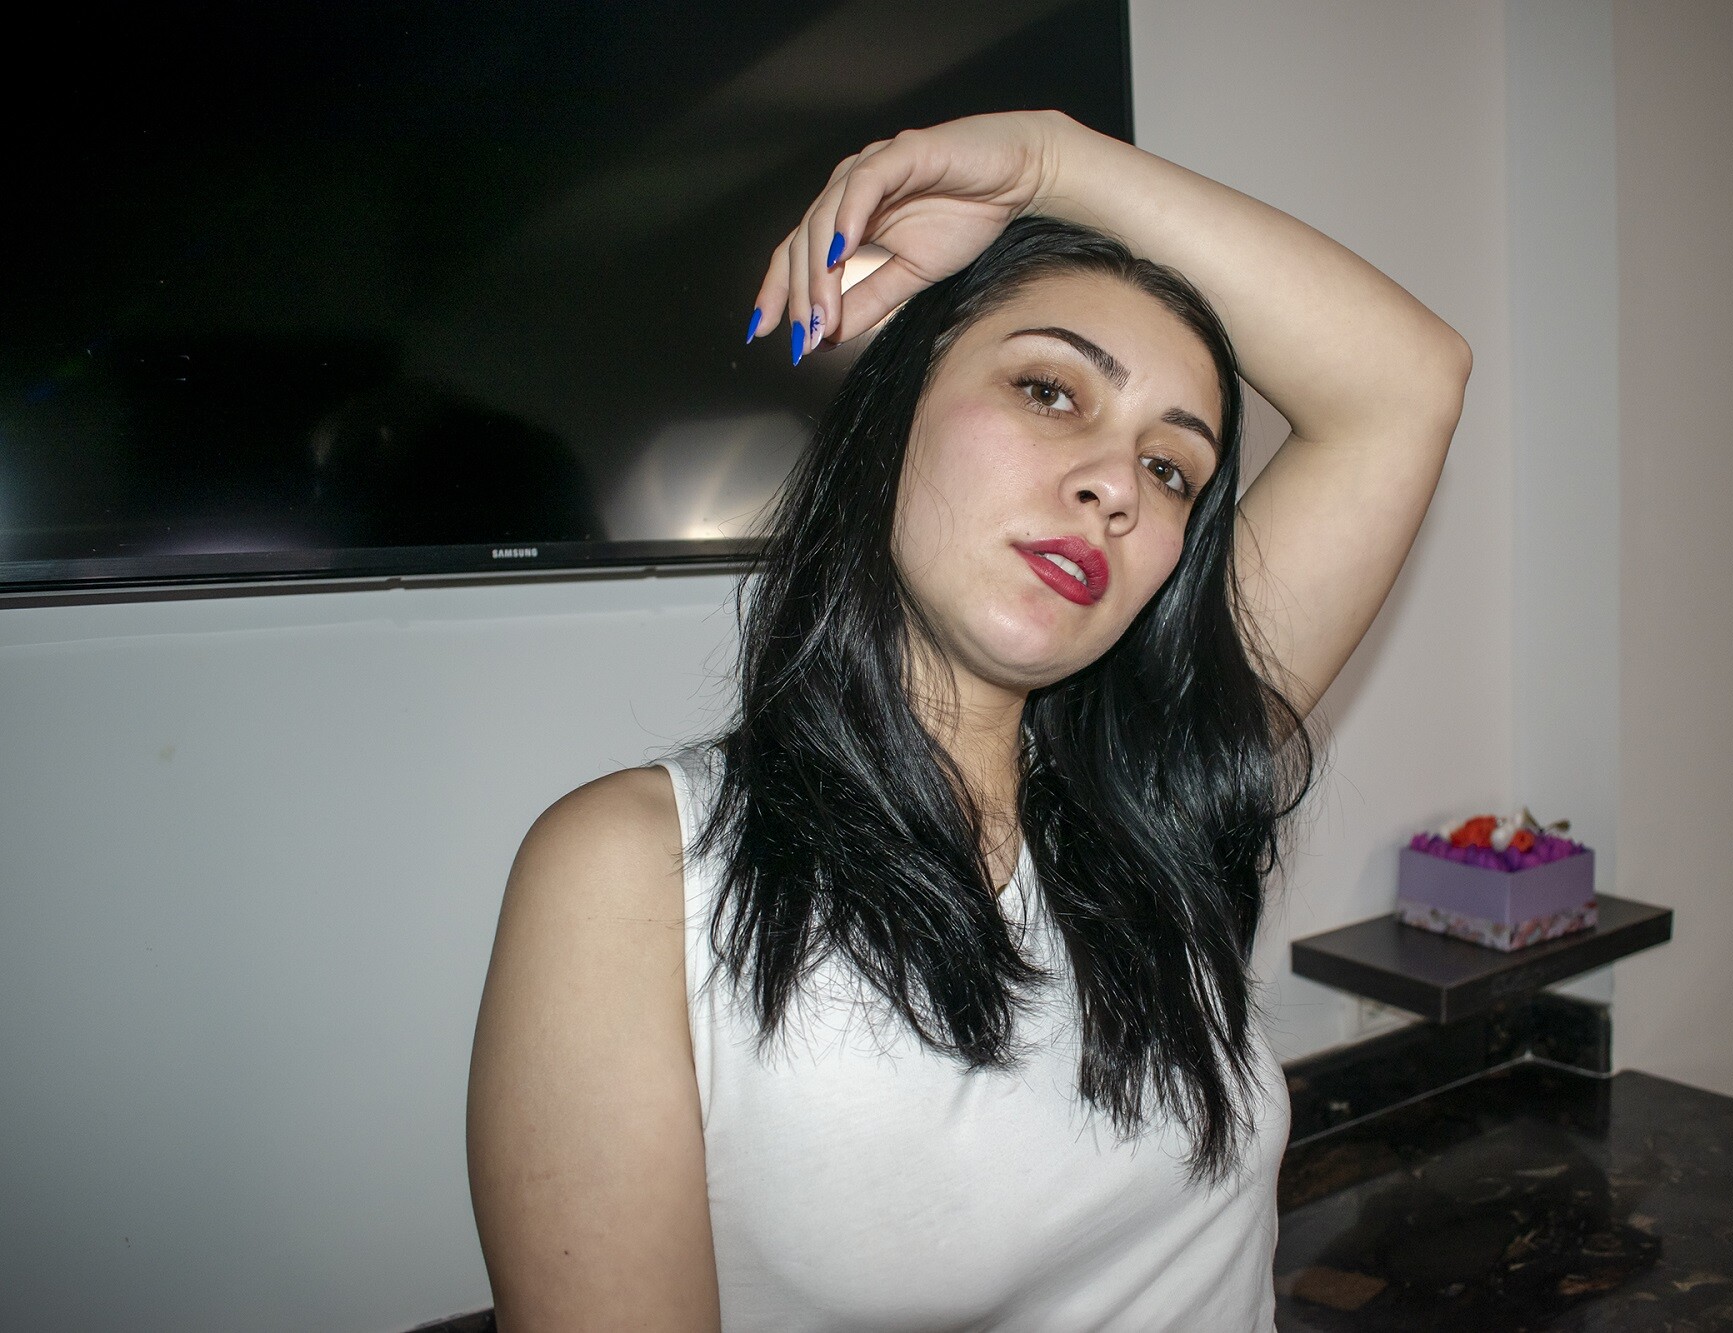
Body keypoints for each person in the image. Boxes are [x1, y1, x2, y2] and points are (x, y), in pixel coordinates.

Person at [465, 109, 1470, 1331]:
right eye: (1048, 391)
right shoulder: (635, 872)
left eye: (1170, 468)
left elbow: (1406, 382)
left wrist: (1051, 160)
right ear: (892, 416)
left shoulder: (1158, 793)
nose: (1114, 484)